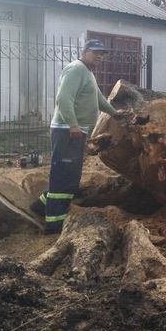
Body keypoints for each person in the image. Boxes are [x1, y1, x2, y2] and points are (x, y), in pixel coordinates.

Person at [30, 39, 124, 234]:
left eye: (102, 54)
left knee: (69, 174)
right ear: (85, 52)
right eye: (95, 52)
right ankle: (54, 224)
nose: (99, 56)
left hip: (76, 130)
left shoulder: (87, 72)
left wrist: (114, 113)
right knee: (64, 176)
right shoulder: (75, 70)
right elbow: (63, 98)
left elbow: (97, 98)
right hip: (67, 130)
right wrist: (72, 125)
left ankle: (40, 206)